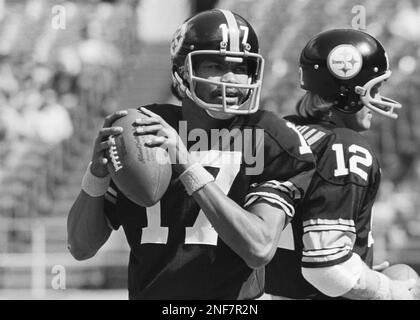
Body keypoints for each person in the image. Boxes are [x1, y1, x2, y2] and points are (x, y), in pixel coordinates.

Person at [67, 9, 315, 299]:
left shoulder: (270, 135)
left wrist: (185, 162)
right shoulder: (142, 129)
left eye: (241, 67)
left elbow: (258, 249)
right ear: (182, 70)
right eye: (215, 66)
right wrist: (95, 175)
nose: (232, 80)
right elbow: (81, 248)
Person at [264, 28, 418, 300]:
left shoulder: (281, 132)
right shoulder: (344, 146)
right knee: (405, 278)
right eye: (375, 88)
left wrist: (361, 272)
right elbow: (328, 270)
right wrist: (383, 288)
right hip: (312, 292)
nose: (379, 99)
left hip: (271, 290)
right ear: (347, 91)